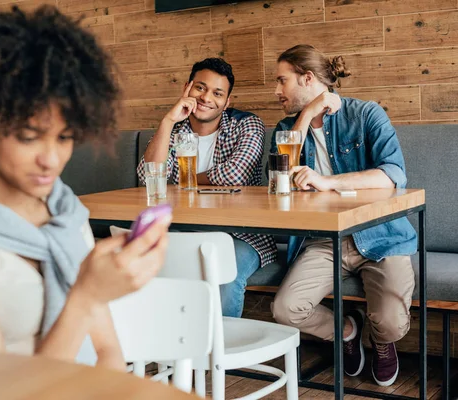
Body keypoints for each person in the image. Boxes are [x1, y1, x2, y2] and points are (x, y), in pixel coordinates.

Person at [0, 6, 170, 370]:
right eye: (30, 137)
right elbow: (3, 392)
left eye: (65, 138)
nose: (51, 159)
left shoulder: (65, 212)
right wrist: (85, 298)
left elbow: (107, 351)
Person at [270, 44, 416, 386]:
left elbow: (393, 174)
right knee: (285, 310)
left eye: (282, 81)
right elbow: (277, 184)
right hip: (322, 241)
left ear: (308, 78)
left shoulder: (366, 115)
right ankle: (348, 331)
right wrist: (306, 116)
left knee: (392, 323)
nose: (277, 91)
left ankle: (382, 343)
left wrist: (325, 181)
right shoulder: (287, 126)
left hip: (381, 235)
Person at [137, 58, 276, 318]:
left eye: (217, 93)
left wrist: (183, 181)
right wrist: (168, 120)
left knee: (224, 275)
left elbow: (236, 174)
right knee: (140, 265)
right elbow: (149, 178)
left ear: (227, 101)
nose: (206, 98)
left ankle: (220, 357)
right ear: (187, 88)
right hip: (182, 228)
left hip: (240, 233)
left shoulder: (246, 124)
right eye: (200, 88)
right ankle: (174, 348)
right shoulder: (174, 129)